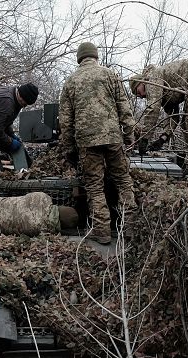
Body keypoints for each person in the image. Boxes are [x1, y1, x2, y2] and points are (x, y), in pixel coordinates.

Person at [59, 42, 137, 245]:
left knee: (94, 186)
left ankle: (101, 231)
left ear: (79, 58)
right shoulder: (110, 75)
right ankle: (129, 227)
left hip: (87, 141)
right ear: (96, 56)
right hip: (113, 138)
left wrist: (69, 148)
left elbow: (65, 121)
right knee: (123, 180)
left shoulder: (71, 81)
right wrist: (129, 135)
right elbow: (125, 108)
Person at [129, 59, 188, 171]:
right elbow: (173, 117)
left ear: (141, 82)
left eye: (138, 92)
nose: (141, 96)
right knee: (186, 123)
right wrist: (162, 139)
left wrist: (144, 138)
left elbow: (153, 109)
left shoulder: (151, 79)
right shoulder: (164, 92)